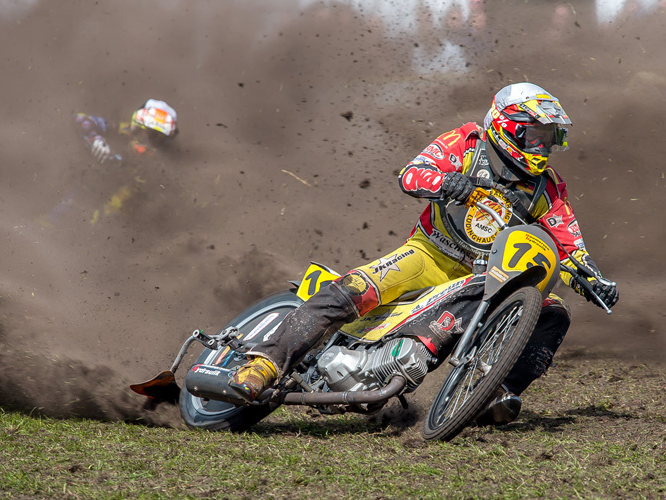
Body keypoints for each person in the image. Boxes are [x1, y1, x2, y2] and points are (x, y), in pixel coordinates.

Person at [228, 82, 619, 426]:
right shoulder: (468, 143)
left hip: (486, 274)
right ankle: (263, 363)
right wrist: (450, 182)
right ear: (507, 127)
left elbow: (569, 244)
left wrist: (593, 278)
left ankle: (496, 391)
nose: (544, 147)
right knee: (355, 288)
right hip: (429, 254)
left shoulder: (548, 188)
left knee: (554, 312)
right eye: (536, 135)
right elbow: (411, 174)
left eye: (551, 138)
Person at [74, 99, 178, 164]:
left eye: (158, 137)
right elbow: (80, 119)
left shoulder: (163, 164)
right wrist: (97, 141)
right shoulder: (121, 129)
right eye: (143, 130)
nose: (147, 139)